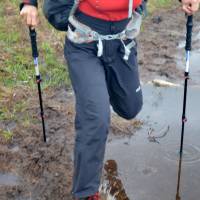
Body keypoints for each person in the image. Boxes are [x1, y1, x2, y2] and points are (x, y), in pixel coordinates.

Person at [20, 0, 200, 200]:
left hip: (123, 42)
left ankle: (98, 88)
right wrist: (28, 3)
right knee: (96, 119)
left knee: (130, 107)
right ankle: (85, 193)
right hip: (84, 43)